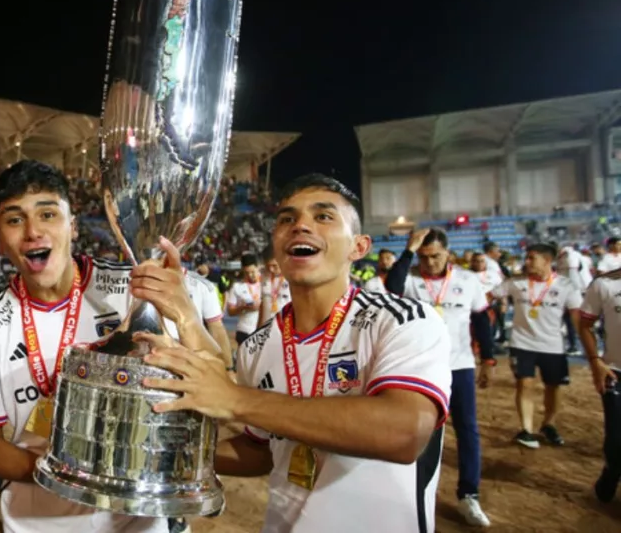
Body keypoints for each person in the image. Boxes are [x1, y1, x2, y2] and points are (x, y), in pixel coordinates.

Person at [138, 173, 452, 533]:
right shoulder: (256, 347)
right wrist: (162, 456)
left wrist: (236, 398)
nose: (300, 225)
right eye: (287, 219)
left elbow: (405, 431)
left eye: (323, 216)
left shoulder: (400, 319)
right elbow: (261, 451)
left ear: (359, 247)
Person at [0, 160, 216, 533]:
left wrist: (186, 316)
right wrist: (69, 475)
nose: (32, 231)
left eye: (48, 214)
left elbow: (215, 379)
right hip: (39, 519)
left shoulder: (133, 288)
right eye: (14, 220)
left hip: (135, 518)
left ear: (73, 226)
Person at [397, 229, 495, 527]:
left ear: (448, 253)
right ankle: (420, 494)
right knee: (425, 432)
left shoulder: (468, 280)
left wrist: (488, 359)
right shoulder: (411, 279)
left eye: (435, 256)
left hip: (460, 366)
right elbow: (390, 289)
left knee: (467, 430)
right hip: (423, 369)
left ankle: (469, 495)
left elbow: (481, 319)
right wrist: (408, 251)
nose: (429, 263)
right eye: (424, 257)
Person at [489, 243, 582, 448]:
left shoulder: (566, 286)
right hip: (522, 343)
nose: (527, 262)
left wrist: (587, 340)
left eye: (532, 258)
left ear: (547, 261)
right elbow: (488, 296)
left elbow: (577, 315)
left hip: (553, 345)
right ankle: (526, 429)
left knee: (553, 387)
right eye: (527, 258)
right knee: (525, 383)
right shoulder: (515, 282)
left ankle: (549, 424)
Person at [577, 268, 621, 502]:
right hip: (615, 372)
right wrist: (596, 361)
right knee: (616, 442)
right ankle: (612, 471)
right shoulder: (604, 284)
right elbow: (585, 325)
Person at [226, 253, 263, 344]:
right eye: (247, 272)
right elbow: (230, 312)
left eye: (253, 272)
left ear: (258, 267)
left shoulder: (267, 284)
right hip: (244, 330)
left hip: (264, 331)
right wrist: (243, 307)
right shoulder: (237, 287)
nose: (250, 275)